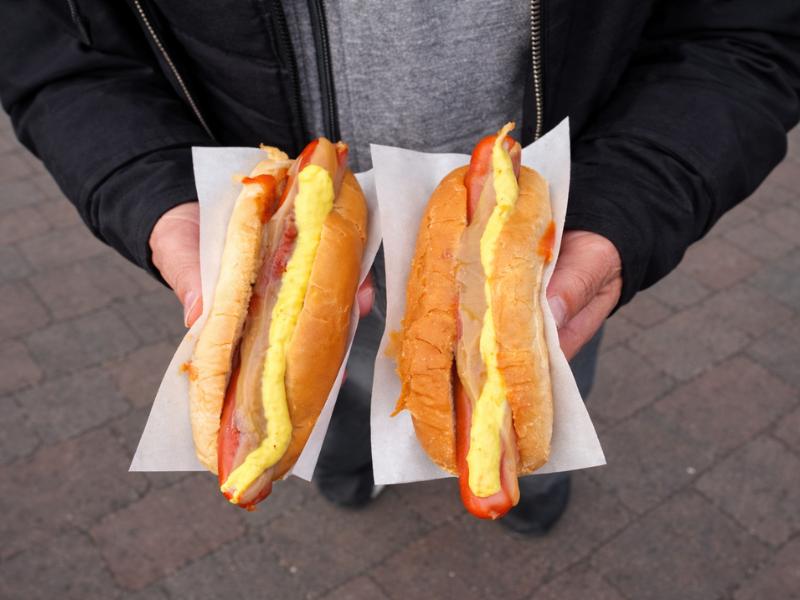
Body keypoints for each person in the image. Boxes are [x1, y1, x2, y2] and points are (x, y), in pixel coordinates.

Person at [1, 1, 797, 534]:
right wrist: (151, 188)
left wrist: (633, 203)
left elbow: (746, 31)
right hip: (322, 228)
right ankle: (350, 462)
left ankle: (534, 487)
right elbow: (51, 42)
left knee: (555, 357)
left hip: (557, 238)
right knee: (337, 376)